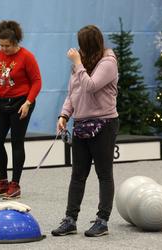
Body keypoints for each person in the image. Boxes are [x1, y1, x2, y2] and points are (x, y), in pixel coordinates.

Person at [51, 25, 119, 237]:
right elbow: (73, 93)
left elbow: (90, 86)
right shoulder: (80, 64)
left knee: (104, 174)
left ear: (89, 45)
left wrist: (78, 63)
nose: (78, 48)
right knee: (78, 175)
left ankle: (102, 221)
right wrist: (63, 116)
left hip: (104, 124)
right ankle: (70, 220)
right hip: (81, 124)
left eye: (82, 44)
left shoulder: (108, 62)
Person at [0, 20, 42, 200]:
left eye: (7, 46)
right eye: (1, 45)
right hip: (2, 103)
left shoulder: (27, 56)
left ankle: (15, 184)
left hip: (21, 103)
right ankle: (2, 182)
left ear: (16, 42)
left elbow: (37, 82)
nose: (4, 49)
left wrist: (28, 102)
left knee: (17, 142)